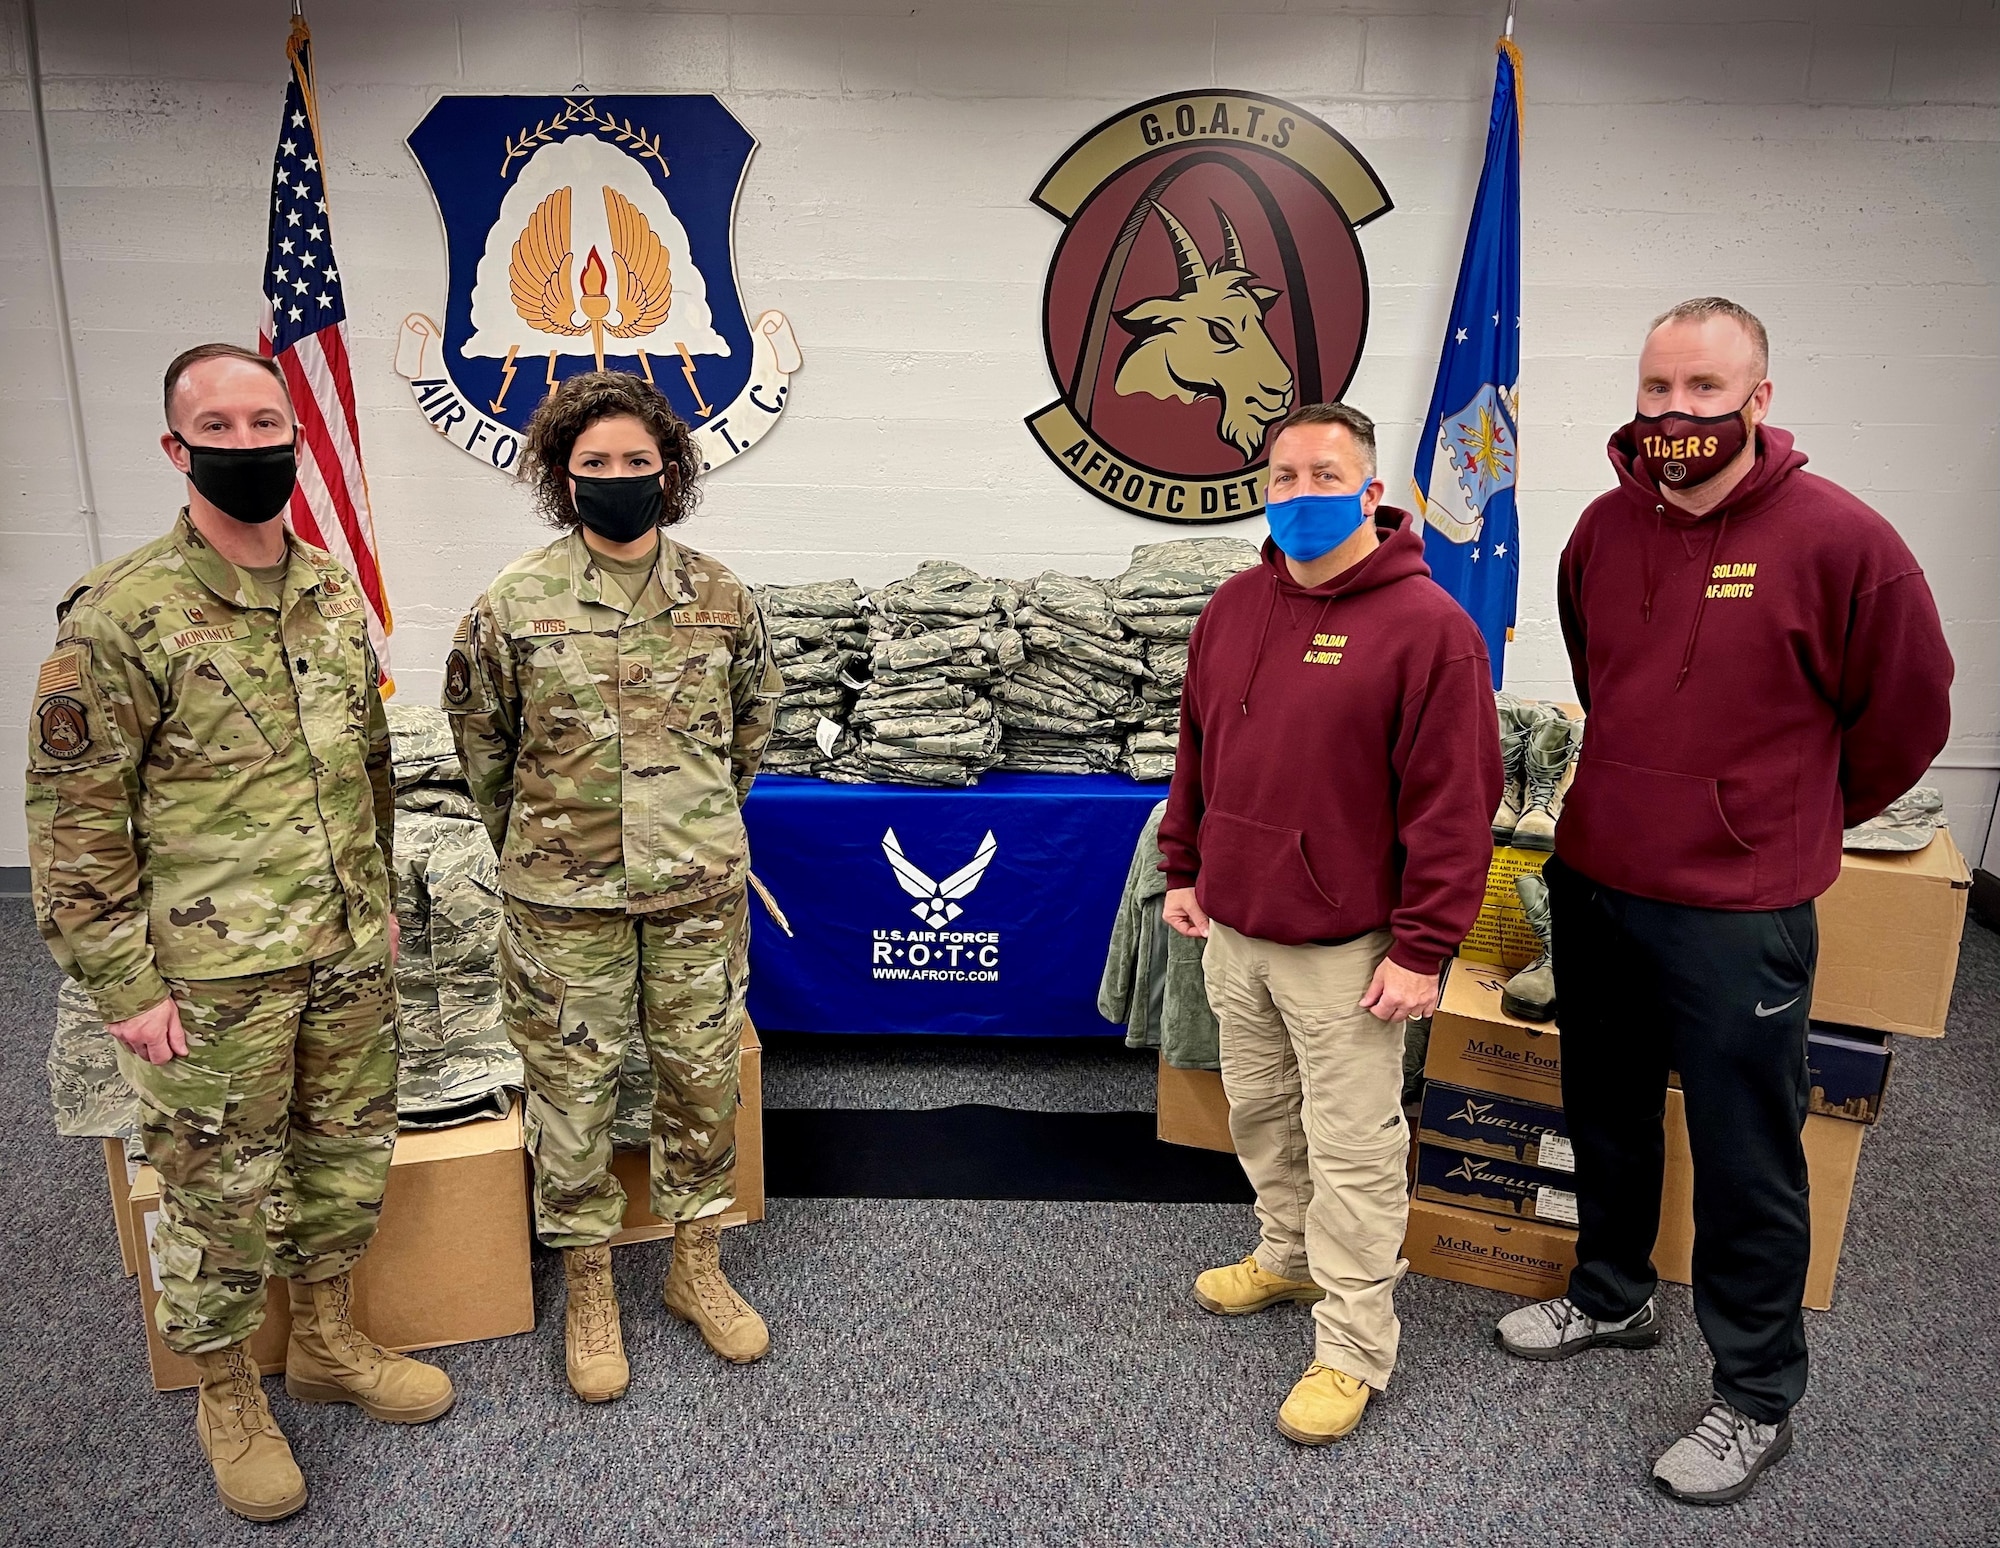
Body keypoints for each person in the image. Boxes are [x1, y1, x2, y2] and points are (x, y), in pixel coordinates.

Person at [1494, 298, 1953, 1505]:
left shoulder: (1845, 542)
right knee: (1604, 1108)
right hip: (1598, 878)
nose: (1672, 414)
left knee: (1748, 1154)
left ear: (1756, 399)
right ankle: (1611, 1296)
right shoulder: (1599, 529)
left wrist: (1777, 815)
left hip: (1736, 909)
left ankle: (1754, 1396)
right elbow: (1605, 676)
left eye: (1702, 391)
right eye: (1655, 389)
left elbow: (1906, 721)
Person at [26, 343, 452, 1523]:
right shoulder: (118, 616)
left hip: (340, 950)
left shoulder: (327, 588)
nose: (250, 441)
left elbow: (365, 764)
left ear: (295, 436)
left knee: (341, 1159)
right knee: (216, 1193)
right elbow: (74, 825)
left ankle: (323, 1340)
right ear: (177, 448)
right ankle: (226, 1389)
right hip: (210, 976)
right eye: (220, 426)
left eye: (269, 421)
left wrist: (374, 907)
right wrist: (122, 984)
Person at [1159, 402, 1502, 1445]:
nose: (1299, 496)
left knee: (1352, 1149)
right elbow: (1197, 752)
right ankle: (1286, 1257)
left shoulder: (1427, 629)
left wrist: (1422, 948)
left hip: (1350, 951)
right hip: (1237, 926)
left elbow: (1454, 805)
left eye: (1323, 477)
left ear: (1367, 493)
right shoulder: (1230, 607)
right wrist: (1184, 864)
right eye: (1281, 479)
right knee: (1260, 1112)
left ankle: (1353, 1346)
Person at [446, 370, 783, 1404]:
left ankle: (693, 1263)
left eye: (637, 462)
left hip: (692, 892)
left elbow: (748, 734)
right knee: (573, 1098)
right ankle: (589, 1285)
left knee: (697, 1082)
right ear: (560, 475)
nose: (618, 477)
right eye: (595, 464)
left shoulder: (722, 599)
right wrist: (553, 844)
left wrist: (685, 827)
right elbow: (483, 752)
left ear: (669, 471)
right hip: (562, 901)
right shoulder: (513, 605)